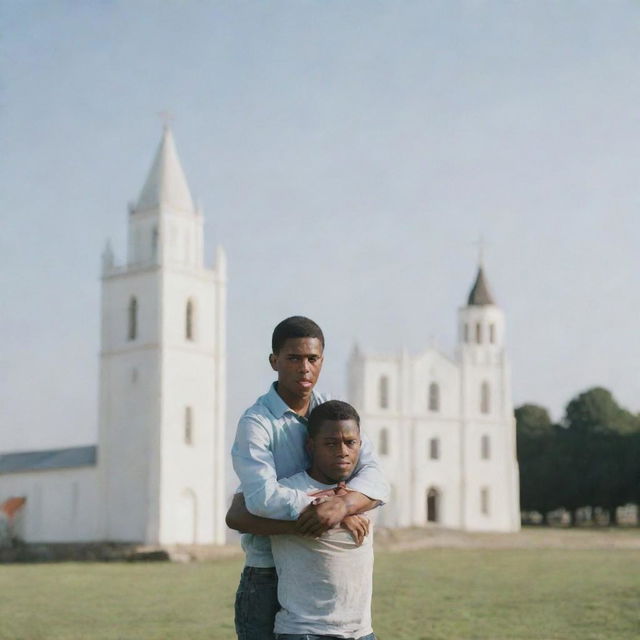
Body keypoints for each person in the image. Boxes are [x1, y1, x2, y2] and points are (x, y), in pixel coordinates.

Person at [228, 316, 389, 640]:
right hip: (267, 572)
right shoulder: (257, 423)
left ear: (322, 361)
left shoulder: (331, 412)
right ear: (274, 361)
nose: (304, 368)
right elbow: (261, 500)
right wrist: (331, 514)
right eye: (294, 358)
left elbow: (373, 474)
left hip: (322, 577)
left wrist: (343, 506)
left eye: (312, 359)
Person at [231, 400, 377, 640]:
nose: (342, 451)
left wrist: (343, 505)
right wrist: (329, 515)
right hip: (305, 632)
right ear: (310, 446)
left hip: (361, 632)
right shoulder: (285, 491)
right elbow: (239, 513)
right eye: (330, 443)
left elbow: (379, 487)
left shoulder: (363, 490)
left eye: (350, 443)